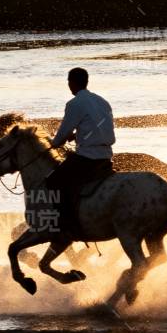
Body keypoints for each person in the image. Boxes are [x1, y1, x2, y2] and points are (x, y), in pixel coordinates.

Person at [45, 67, 115, 235]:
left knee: (52, 181)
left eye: (69, 82)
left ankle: (64, 223)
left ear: (71, 83)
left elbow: (61, 135)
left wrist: (53, 143)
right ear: (86, 81)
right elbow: (100, 128)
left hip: (87, 157)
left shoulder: (74, 104)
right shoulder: (102, 101)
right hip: (106, 156)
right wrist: (77, 136)